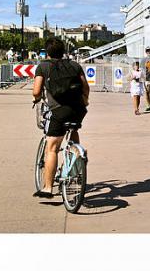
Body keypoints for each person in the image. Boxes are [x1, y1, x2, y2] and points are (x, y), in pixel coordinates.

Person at [31, 37, 90, 198]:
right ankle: (76, 163)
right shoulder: (75, 65)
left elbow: (36, 91)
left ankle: (48, 188)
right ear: (63, 51)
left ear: (47, 52)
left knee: (52, 148)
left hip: (58, 110)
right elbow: (85, 87)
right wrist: (85, 101)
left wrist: (36, 99)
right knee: (73, 130)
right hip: (78, 109)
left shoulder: (43, 67)